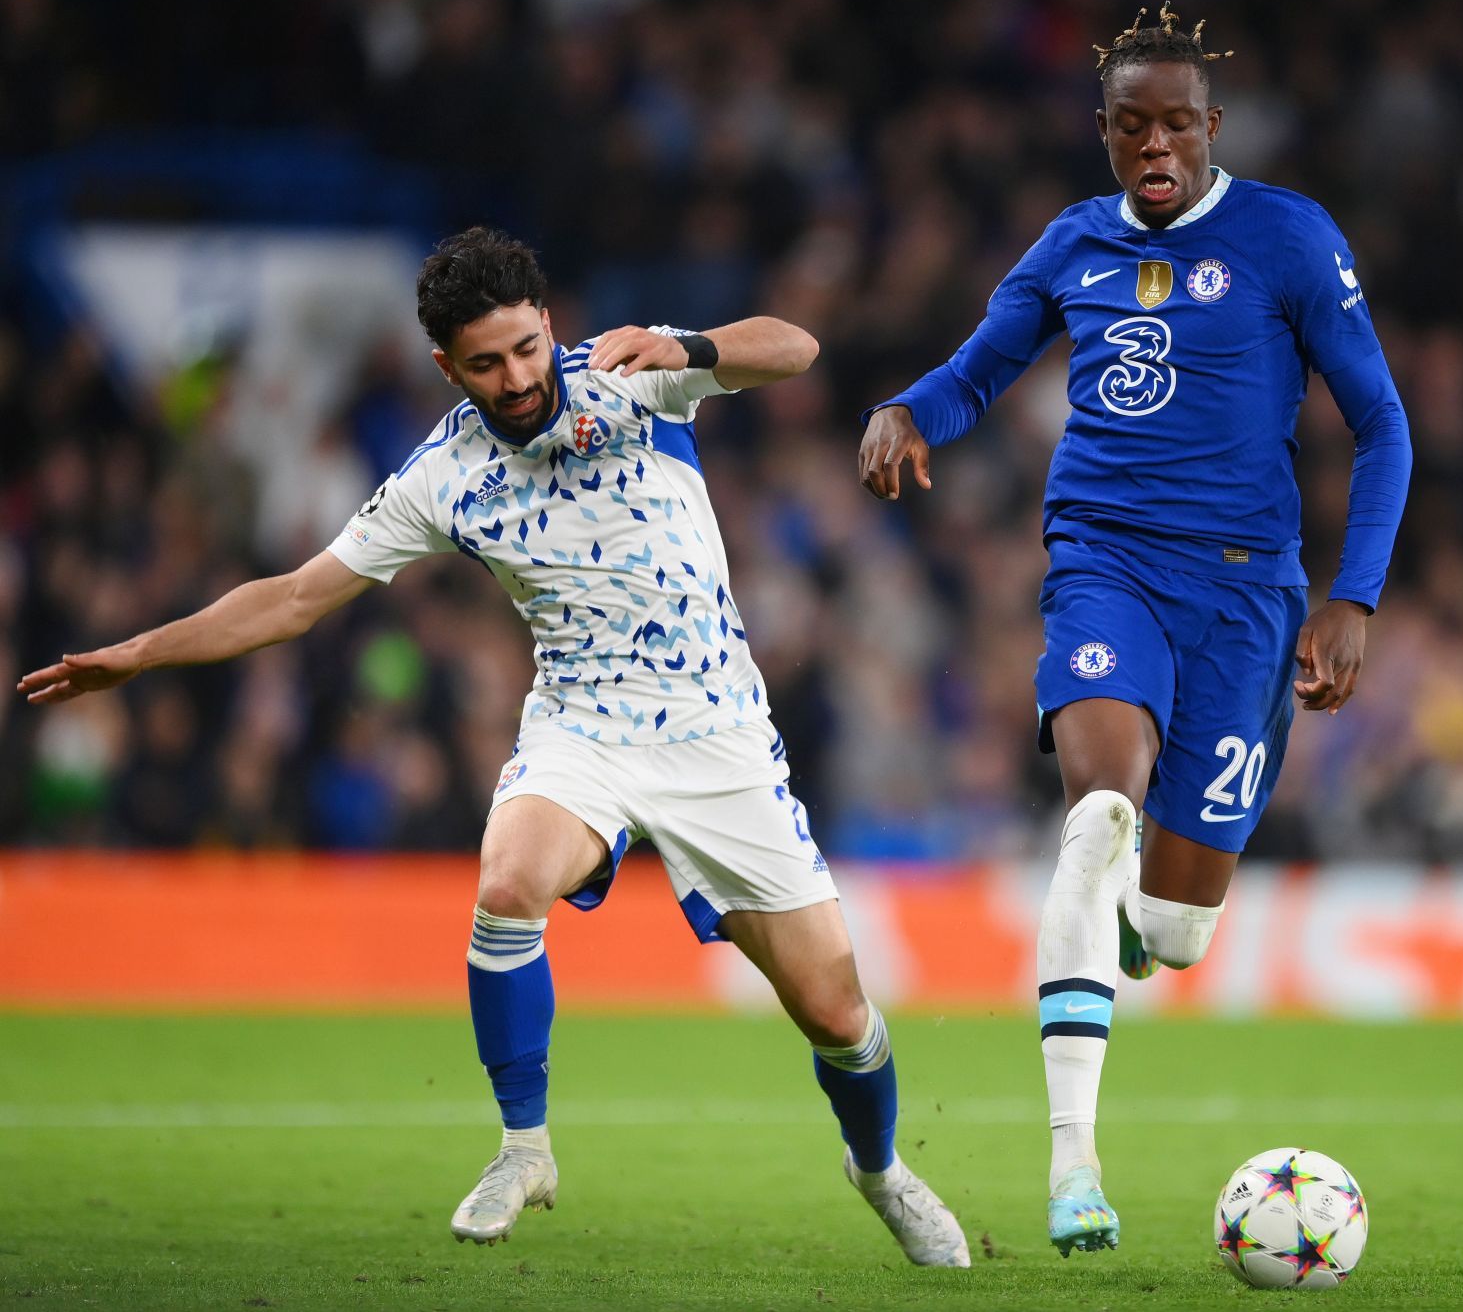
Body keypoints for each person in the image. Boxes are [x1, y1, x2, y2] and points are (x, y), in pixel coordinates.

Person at [20, 227, 970, 1267]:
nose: (516, 378)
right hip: (582, 727)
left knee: (837, 1013)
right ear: (447, 367)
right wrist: (140, 655)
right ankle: (524, 1147)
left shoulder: (628, 373)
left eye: (525, 348)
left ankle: (878, 1168)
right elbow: (294, 599)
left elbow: (795, 350)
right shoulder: (443, 476)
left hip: (720, 736)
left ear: (548, 325)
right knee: (509, 882)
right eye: (486, 363)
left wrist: (687, 348)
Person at [857, 6, 1412, 1256]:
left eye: (1177, 123)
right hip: (1103, 562)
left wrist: (1354, 595)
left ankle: (1117, 934)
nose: (1154, 143)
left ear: (1212, 130)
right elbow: (977, 369)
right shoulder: (1072, 244)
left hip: (1249, 597)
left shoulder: (1287, 237)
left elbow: (1382, 425)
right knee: (1097, 814)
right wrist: (908, 411)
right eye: (1131, 125)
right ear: (1103, 134)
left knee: (1170, 930)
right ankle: (1073, 1170)